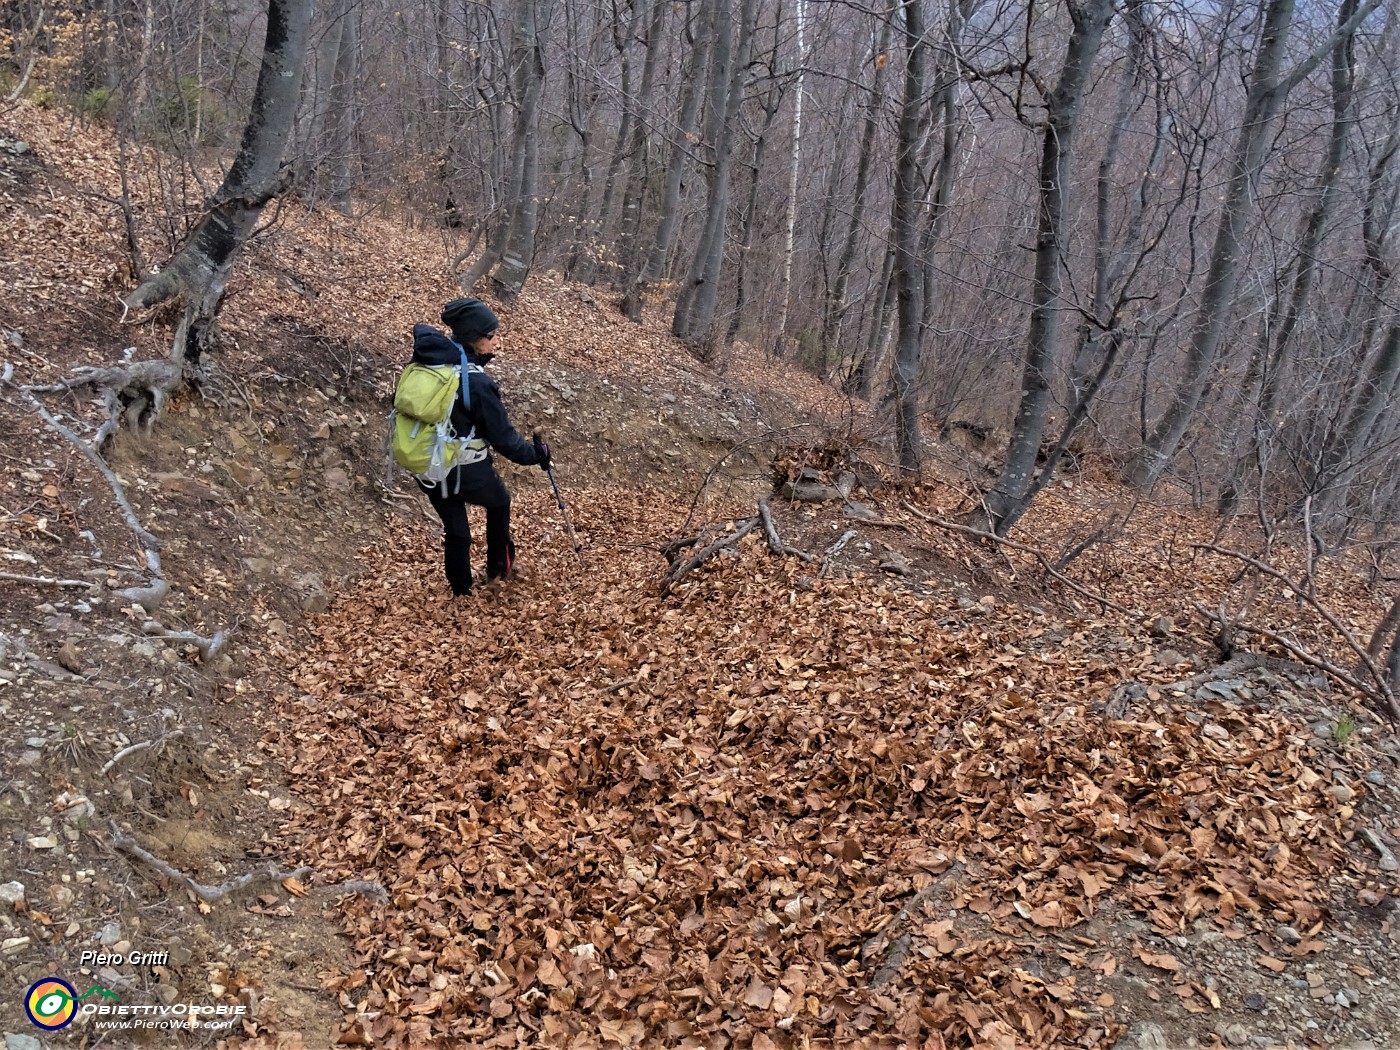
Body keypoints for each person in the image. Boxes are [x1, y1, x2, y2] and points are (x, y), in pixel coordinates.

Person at [409, 297, 550, 596]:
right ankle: (499, 571)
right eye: (492, 334)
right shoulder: (475, 383)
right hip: (462, 466)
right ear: (476, 338)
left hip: (425, 462)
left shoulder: (430, 363)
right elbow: (505, 441)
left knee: (457, 529)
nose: (497, 339)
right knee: (499, 502)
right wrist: (537, 455)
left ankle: (460, 591)